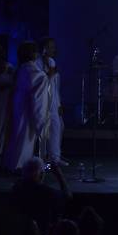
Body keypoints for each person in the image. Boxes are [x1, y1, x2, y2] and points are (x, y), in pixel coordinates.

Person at [3, 41, 50, 172]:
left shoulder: (19, 70)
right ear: (35, 55)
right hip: (28, 113)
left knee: (16, 137)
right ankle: (21, 167)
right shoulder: (38, 74)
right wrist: (42, 124)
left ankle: (12, 165)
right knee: (25, 140)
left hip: (17, 109)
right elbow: (39, 102)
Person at [10, 157, 71, 235]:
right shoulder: (47, 192)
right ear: (42, 174)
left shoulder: (16, 189)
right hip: (43, 234)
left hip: (18, 233)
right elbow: (68, 196)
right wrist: (59, 175)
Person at [37, 37, 66, 166]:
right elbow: (42, 81)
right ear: (44, 48)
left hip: (53, 101)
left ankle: (55, 157)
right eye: (50, 47)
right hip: (43, 101)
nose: (53, 49)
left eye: (54, 47)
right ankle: (42, 158)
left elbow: (55, 86)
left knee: (58, 126)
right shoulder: (38, 62)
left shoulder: (52, 61)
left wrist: (59, 103)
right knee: (44, 130)